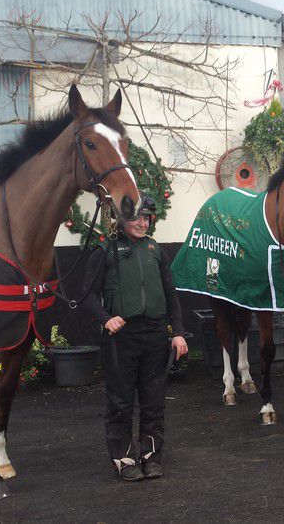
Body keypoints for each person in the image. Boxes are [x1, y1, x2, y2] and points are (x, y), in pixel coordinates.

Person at [82, 193, 188, 481]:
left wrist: (177, 333)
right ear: (121, 218)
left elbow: (171, 295)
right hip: (121, 336)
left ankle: (151, 455)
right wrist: (106, 319)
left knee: (153, 400)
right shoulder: (105, 250)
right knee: (120, 401)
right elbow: (88, 296)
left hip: (154, 335)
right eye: (137, 217)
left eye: (147, 217)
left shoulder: (156, 250)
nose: (143, 222)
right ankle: (124, 458)